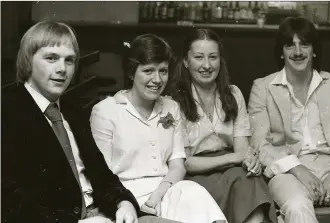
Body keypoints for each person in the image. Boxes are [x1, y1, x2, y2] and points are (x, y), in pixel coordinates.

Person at [2, 20, 179, 223]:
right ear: (27, 61)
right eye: (51, 58)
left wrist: (123, 202)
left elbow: (102, 174)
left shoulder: (72, 110)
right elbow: (10, 203)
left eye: (69, 61)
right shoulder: (7, 110)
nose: (62, 69)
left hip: (104, 214)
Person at [90, 33, 227, 223]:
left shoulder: (171, 107)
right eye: (148, 71)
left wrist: (157, 196)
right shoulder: (106, 111)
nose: (157, 79)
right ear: (131, 73)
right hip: (124, 197)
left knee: (193, 191)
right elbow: (101, 175)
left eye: (163, 71)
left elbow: (177, 165)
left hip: (165, 189)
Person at [167, 28, 277, 223]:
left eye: (213, 57)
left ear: (220, 60)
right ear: (186, 61)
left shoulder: (233, 94)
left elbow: (242, 148)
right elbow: (186, 163)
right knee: (243, 182)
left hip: (233, 171)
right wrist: (235, 158)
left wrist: (249, 161)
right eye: (199, 57)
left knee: (249, 179)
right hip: (197, 176)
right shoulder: (174, 102)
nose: (207, 65)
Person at [248, 16, 330, 223]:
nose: (297, 52)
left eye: (304, 45)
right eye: (290, 46)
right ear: (281, 52)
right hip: (287, 171)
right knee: (297, 206)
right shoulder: (262, 88)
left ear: (314, 50)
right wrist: (298, 169)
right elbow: (260, 144)